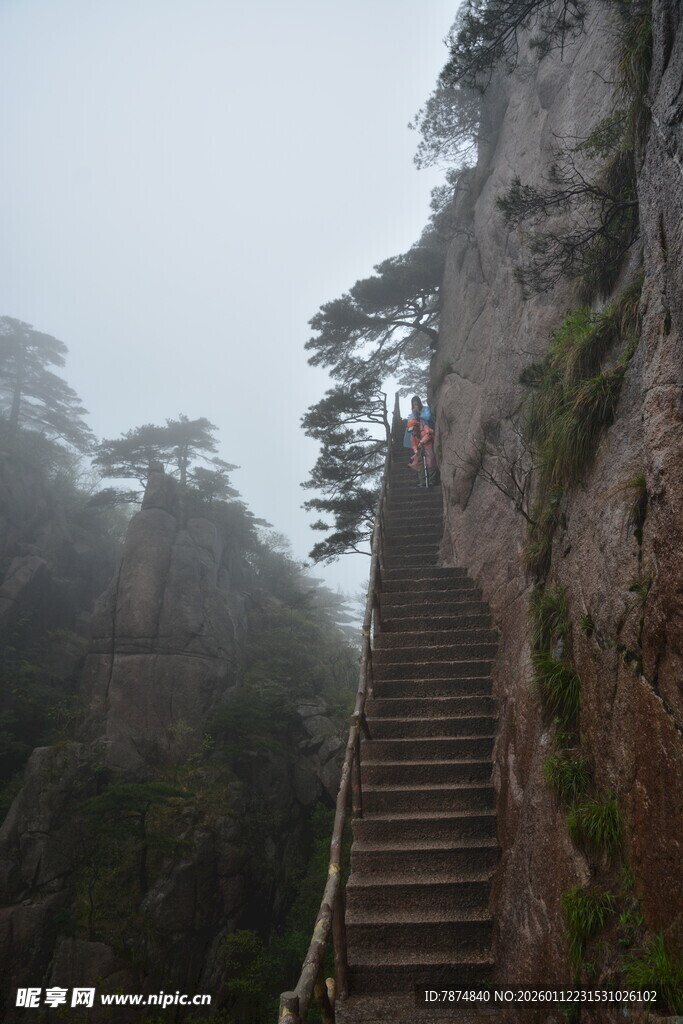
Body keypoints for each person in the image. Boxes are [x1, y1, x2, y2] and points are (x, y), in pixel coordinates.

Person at [406, 414, 437, 487]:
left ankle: (432, 480)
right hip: (420, 449)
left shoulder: (425, 428)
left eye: (413, 429)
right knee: (420, 465)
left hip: (428, 446)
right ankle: (422, 481)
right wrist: (416, 450)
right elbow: (413, 444)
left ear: (416, 426)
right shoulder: (413, 435)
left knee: (430, 462)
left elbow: (428, 434)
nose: (412, 431)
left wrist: (421, 442)